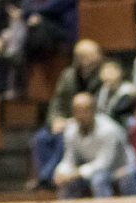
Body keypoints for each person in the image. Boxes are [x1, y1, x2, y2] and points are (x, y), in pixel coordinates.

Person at [54, 92, 136, 203]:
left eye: (85, 110)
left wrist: (75, 173)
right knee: (67, 184)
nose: (80, 115)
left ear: (94, 110)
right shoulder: (71, 131)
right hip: (91, 169)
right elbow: (69, 159)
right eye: (77, 111)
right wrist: (60, 172)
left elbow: (104, 163)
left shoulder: (109, 130)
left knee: (99, 180)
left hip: (122, 168)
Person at [29, 39, 103, 190]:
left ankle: (47, 178)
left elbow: (101, 105)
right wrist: (55, 120)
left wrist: (73, 121)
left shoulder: (103, 75)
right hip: (66, 120)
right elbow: (57, 102)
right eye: (84, 55)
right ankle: (46, 177)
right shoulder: (68, 75)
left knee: (65, 138)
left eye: (92, 55)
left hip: (89, 121)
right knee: (41, 138)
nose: (90, 59)